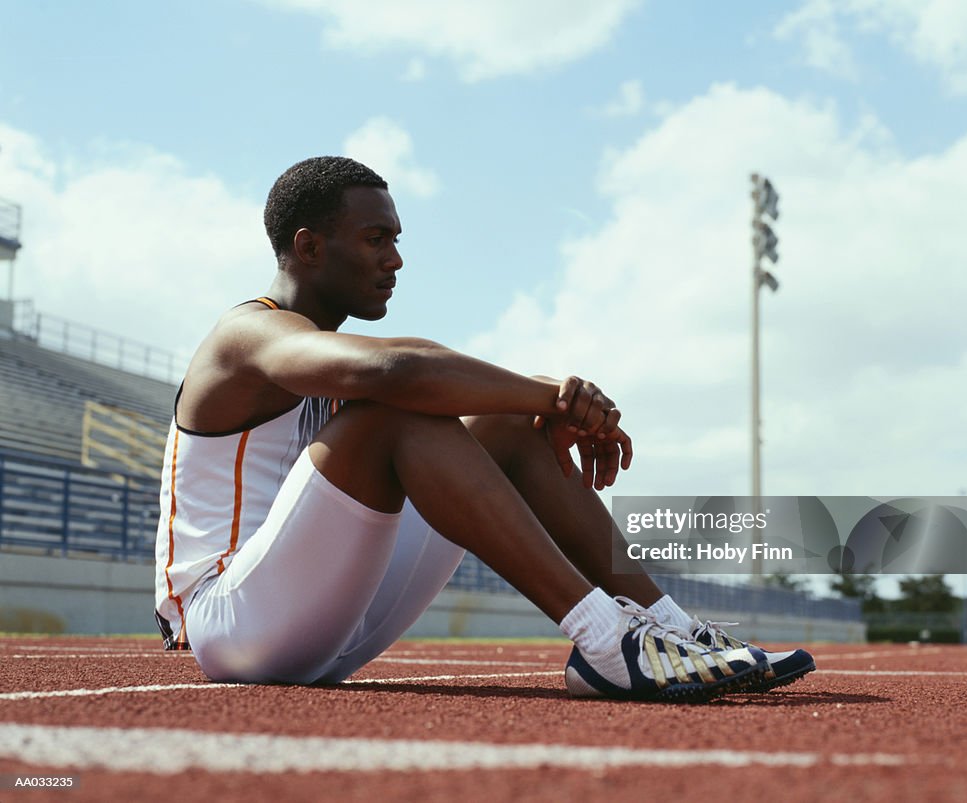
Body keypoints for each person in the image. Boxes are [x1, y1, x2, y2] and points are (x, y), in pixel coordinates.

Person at [154, 156, 814, 702]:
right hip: (232, 624)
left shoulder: (321, 348)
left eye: (397, 240)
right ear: (309, 246)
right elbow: (393, 369)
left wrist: (537, 406)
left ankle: (673, 628)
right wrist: (557, 396)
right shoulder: (244, 335)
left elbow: (405, 374)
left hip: (325, 619)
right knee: (394, 407)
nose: (396, 260)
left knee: (499, 421)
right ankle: (606, 638)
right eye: (377, 238)